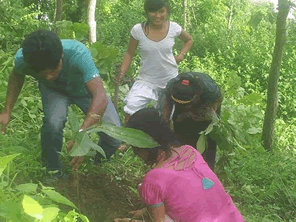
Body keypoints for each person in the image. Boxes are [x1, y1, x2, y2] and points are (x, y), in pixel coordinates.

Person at [0, 30, 121, 177]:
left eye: (53, 70)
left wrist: (81, 136)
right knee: (53, 123)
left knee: (115, 137)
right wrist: (7, 111)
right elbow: (16, 76)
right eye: (43, 74)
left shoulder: (78, 53)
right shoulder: (24, 59)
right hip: (54, 91)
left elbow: (100, 96)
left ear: (61, 55)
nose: (49, 76)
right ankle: (53, 170)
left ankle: (96, 162)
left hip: (84, 90)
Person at [114, 108, 244, 222]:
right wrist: (147, 212)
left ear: (143, 145)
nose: (136, 154)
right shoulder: (190, 151)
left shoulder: (154, 179)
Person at [117, 0, 193, 124]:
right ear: (147, 12)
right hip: (146, 80)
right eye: (153, 11)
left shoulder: (174, 28)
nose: (157, 16)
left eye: (161, 11)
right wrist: (121, 73)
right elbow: (129, 54)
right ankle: (129, 139)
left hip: (169, 81)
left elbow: (189, 40)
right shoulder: (138, 30)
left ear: (167, 11)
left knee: (167, 116)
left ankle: (164, 141)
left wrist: (181, 56)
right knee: (131, 108)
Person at [163, 72, 223, 171]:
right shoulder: (171, 87)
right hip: (181, 113)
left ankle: (206, 171)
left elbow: (217, 103)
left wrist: (202, 114)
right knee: (181, 136)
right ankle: (182, 167)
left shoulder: (210, 91)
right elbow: (166, 110)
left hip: (204, 108)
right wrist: (165, 129)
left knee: (206, 142)